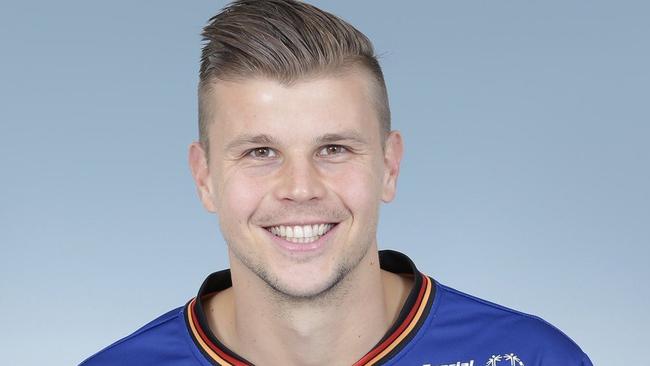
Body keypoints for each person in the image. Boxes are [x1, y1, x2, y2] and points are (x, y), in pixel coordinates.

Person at [81, 1, 592, 365]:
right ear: (205, 178)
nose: (300, 188)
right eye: (261, 152)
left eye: (334, 149)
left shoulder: (533, 358)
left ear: (389, 167)